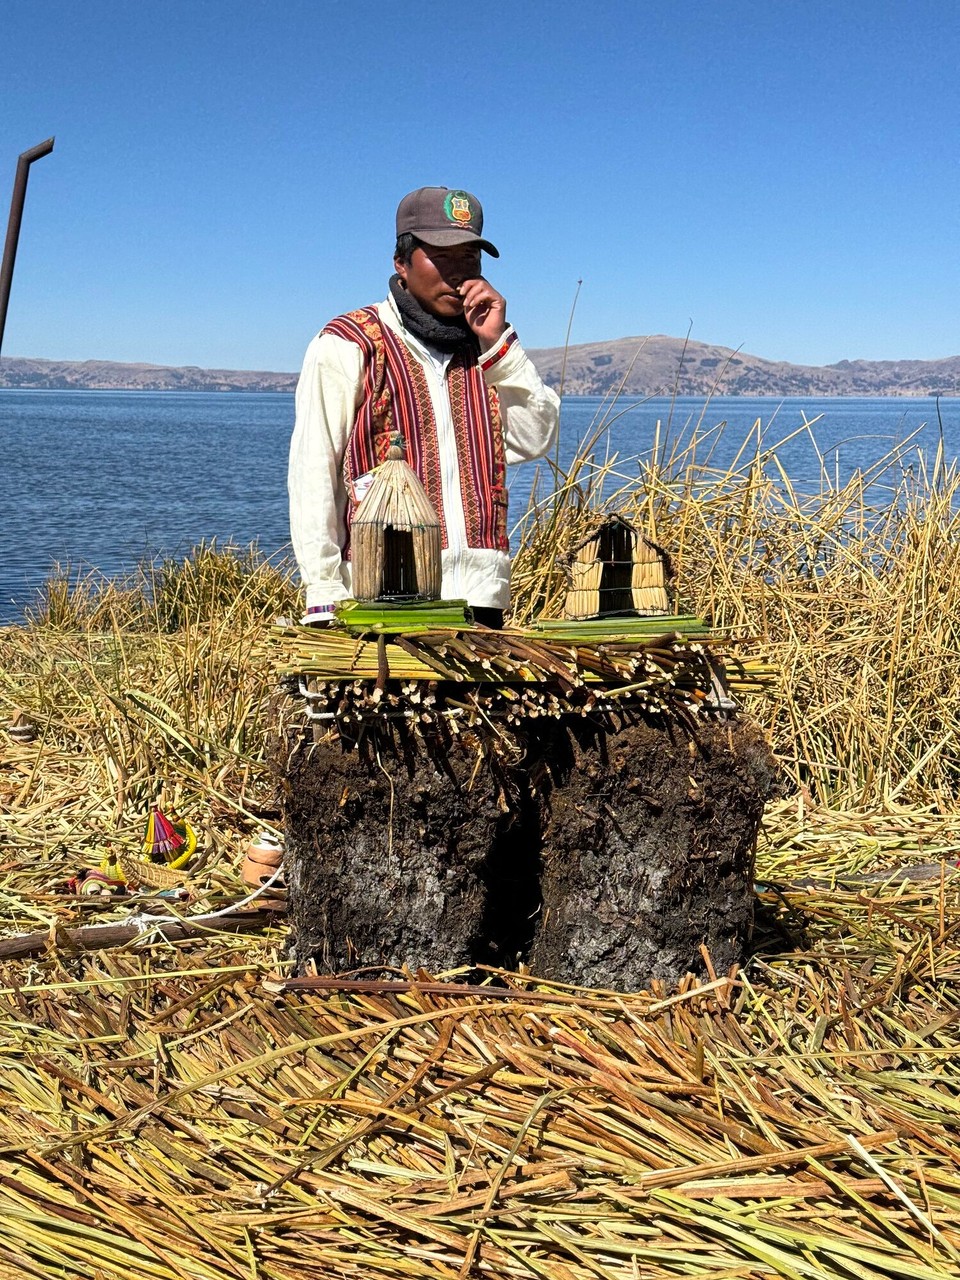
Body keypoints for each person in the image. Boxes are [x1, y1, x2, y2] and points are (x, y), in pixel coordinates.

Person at [288, 186, 560, 629]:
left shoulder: (486, 350)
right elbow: (314, 471)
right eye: (441, 257)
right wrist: (323, 592)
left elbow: (534, 440)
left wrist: (498, 345)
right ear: (402, 262)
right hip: (381, 594)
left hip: (479, 598)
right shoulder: (349, 343)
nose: (458, 275)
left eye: (469, 259)